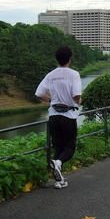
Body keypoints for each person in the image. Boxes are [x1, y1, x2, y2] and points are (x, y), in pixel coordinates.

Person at [35, 46, 82, 189]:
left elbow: (38, 93)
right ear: (70, 59)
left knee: (58, 148)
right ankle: (58, 163)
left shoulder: (51, 75)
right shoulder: (73, 74)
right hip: (68, 115)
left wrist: (51, 100)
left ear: (57, 59)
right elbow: (76, 96)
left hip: (54, 116)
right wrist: (79, 102)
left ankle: (59, 180)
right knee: (69, 148)